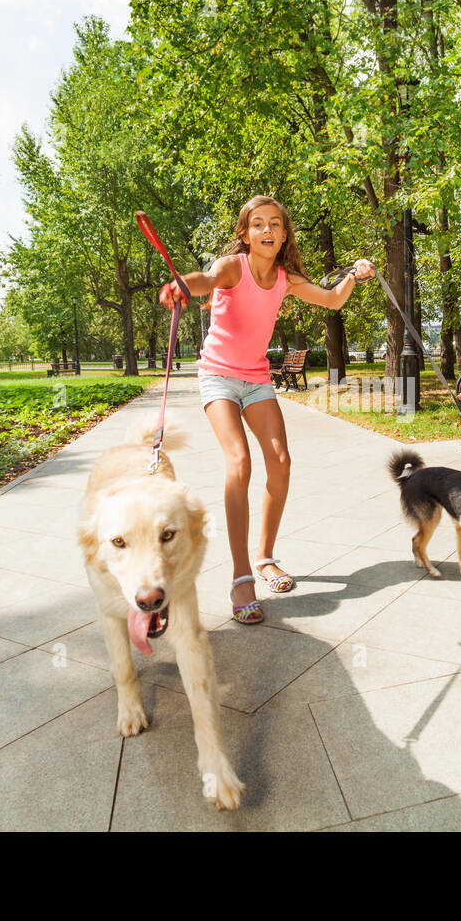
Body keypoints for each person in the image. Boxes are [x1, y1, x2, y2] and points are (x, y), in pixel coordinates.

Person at [159, 195, 373, 624]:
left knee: (280, 461)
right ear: (246, 233)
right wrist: (181, 286)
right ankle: (241, 578)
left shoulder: (285, 278)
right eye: (258, 224)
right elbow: (203, 279)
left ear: (284, 234)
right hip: (218, 375)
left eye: (275, 224)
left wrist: (355, 273)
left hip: (256, 378)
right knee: (239, 461)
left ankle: (265, 557)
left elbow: (332, 300)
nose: (268, 230)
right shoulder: (232, 266)